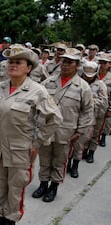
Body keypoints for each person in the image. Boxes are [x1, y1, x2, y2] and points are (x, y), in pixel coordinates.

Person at [0, 47, 62, 225]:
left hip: (20, 149)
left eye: (19, 62)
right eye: (11, 61)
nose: (13, 65)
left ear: (28, 68)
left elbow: (55, 118)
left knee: (16, 186)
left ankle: (10, 218)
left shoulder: (37, 91)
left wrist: (38, 142)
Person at [33, 48, 94, 202]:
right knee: (45, 159)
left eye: (69, 62)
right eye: (63, 61)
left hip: (66, 131)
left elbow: (87, 112)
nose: (65, 64)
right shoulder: (49, 81)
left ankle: (53, 187)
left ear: (77, 65)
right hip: (46, 129)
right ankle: (43, 184)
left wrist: (79, 132)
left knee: (59, 161)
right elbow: (37, 102)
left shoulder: (83, 87)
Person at [79, 61, 108, 165]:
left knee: (94, 135)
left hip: (96, 114)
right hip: (81, 114)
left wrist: (88, 101)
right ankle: (84, 150)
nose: (88, 77)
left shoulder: (100, 85)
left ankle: (91, 152)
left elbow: (103, 101)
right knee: (83, 135)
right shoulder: (80, 82)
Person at [98, 54, 111, 147]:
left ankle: (103, 137)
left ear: (109, 64)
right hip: (95, 102)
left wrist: (110, 109)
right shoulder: (94, 74)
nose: (102, 64)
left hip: (107, 103)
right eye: (100, 62)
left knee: (106, 122)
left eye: (104, 63)